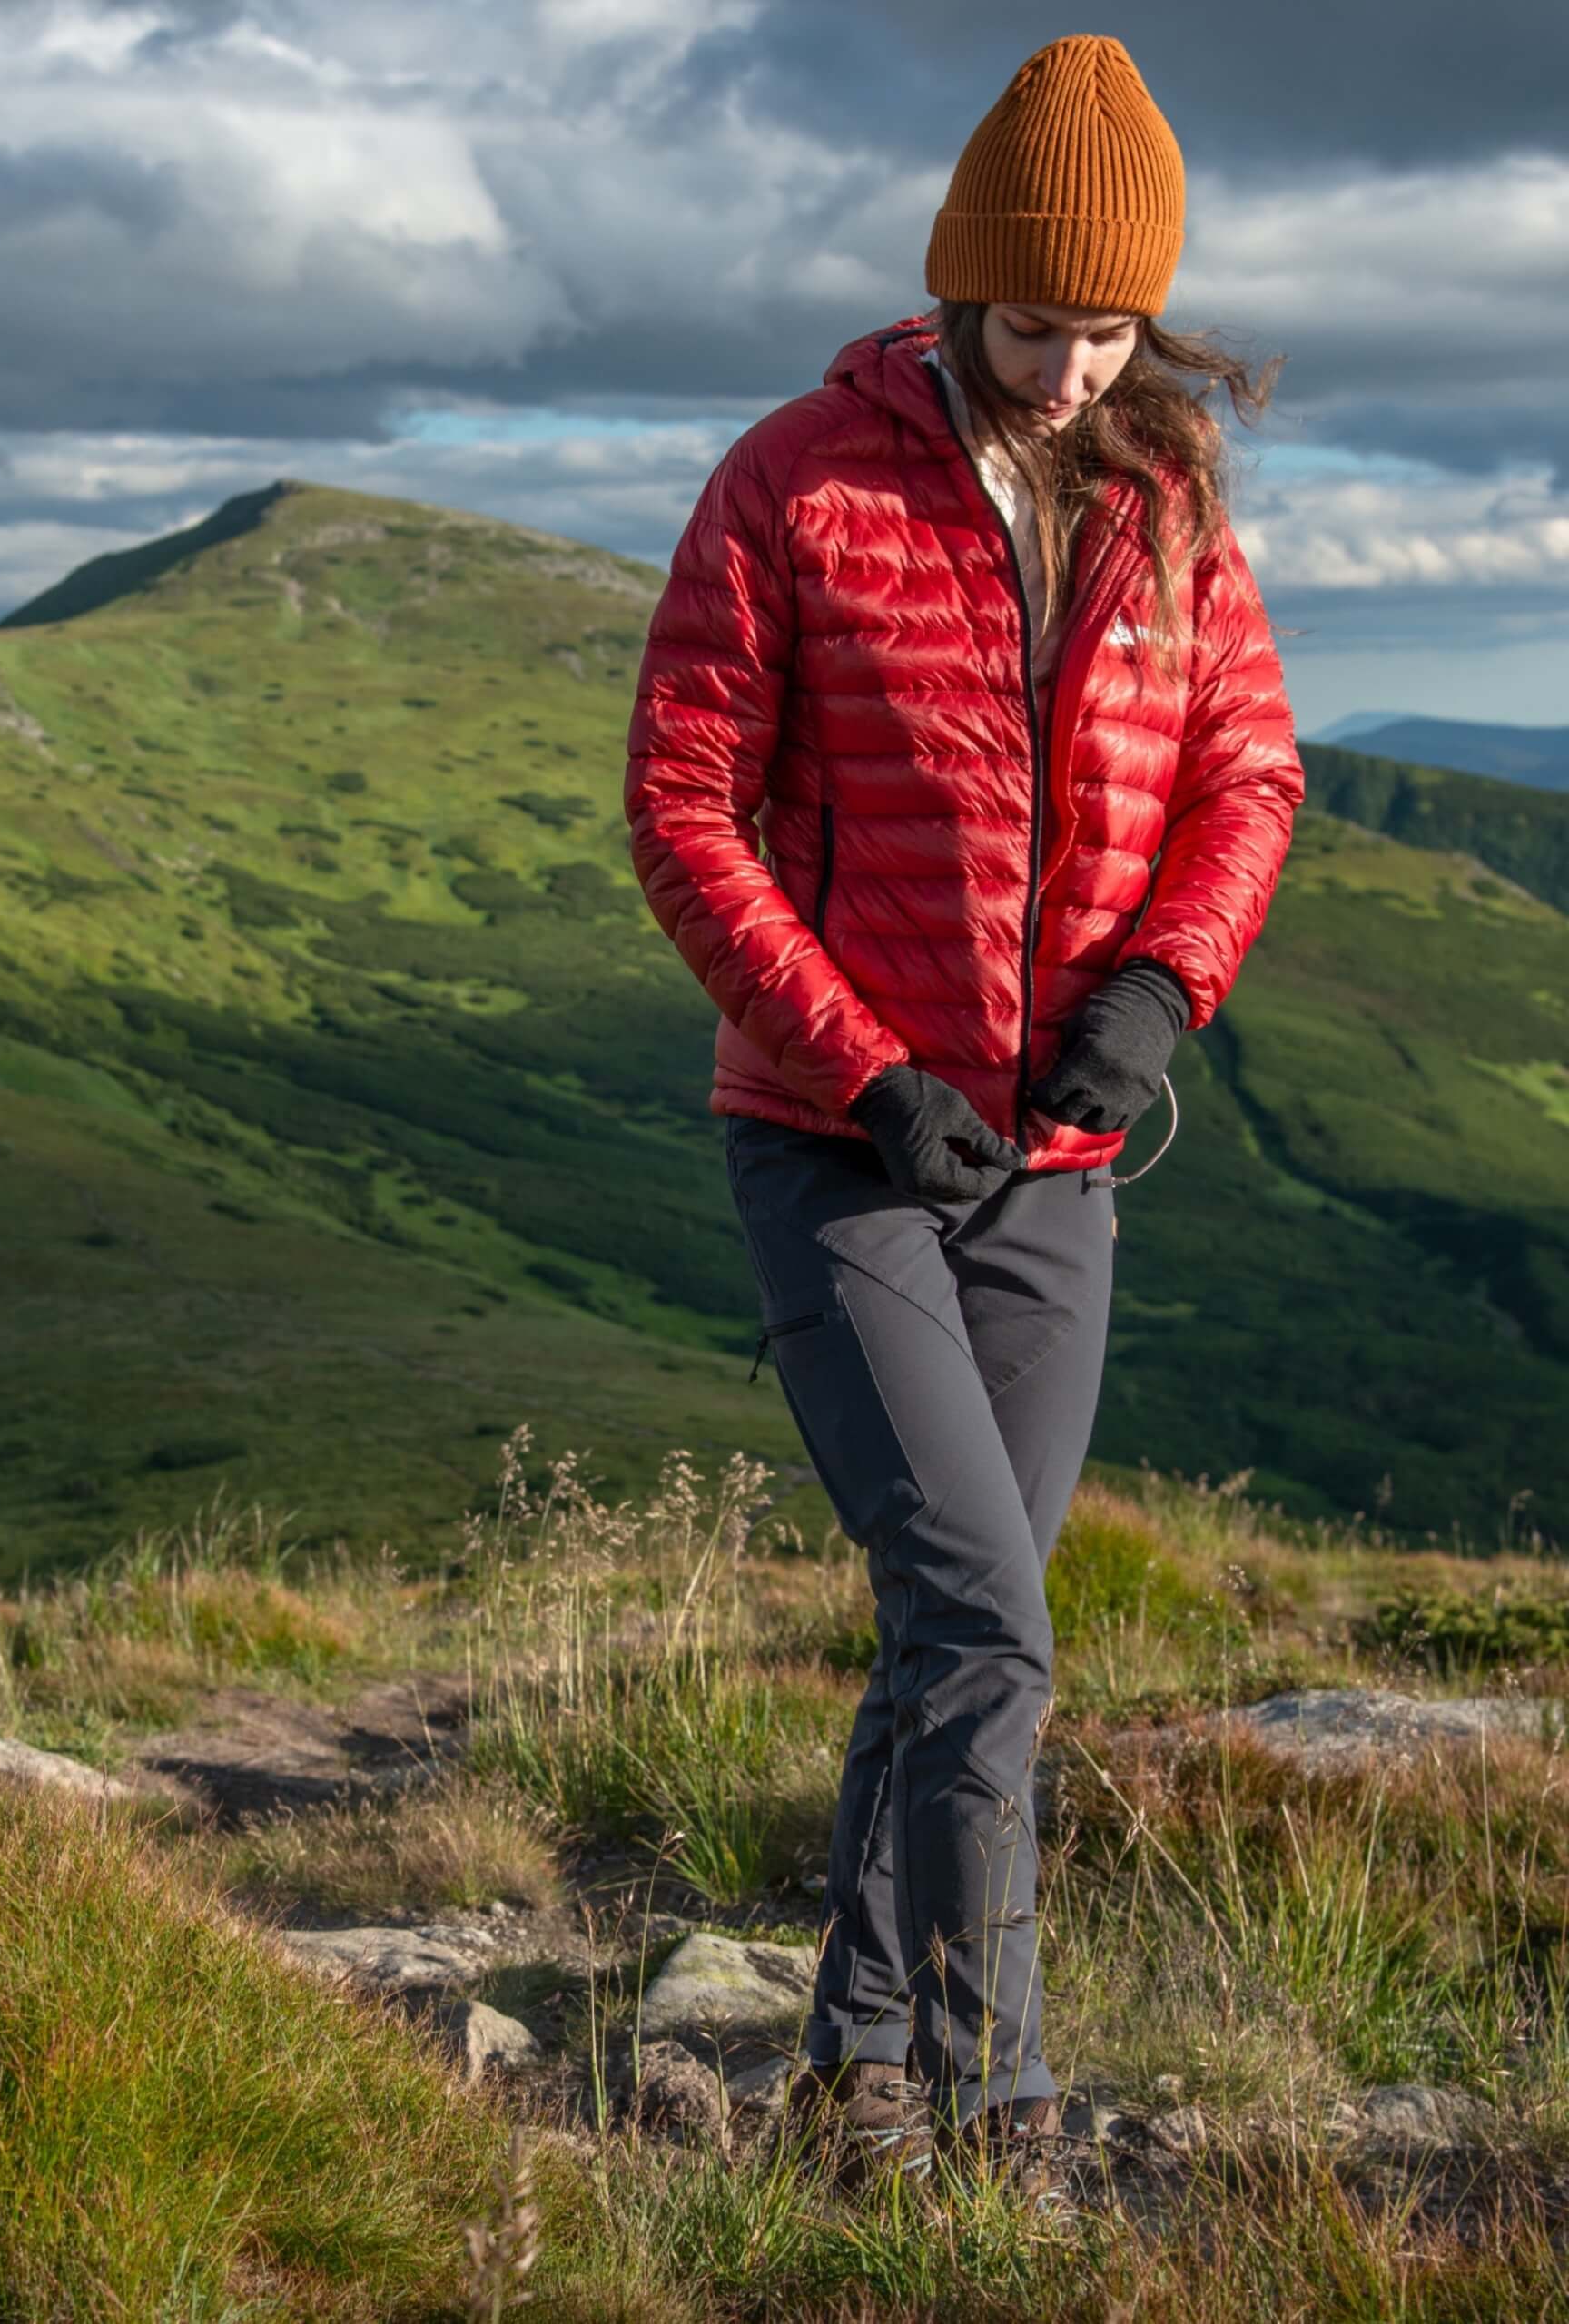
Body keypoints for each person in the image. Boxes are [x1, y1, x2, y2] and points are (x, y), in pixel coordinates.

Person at [622, 34, 1302, 2199]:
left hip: (1058, 1163)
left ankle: (849, 2068)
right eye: (1033, 320)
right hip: (838, 1147)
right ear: (954, 285)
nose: (1065, 360)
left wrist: (1156, 989)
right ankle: (995, 2093)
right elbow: (680, 804)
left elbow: (1245, 772)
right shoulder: (795, 481)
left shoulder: (1166, 499)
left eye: (1106, 326)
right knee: (987, 1620)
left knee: (954, 1629)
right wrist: (861, 1064)